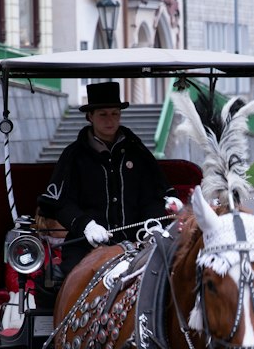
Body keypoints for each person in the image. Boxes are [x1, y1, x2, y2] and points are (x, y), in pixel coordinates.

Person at [37, 81, 170, 277]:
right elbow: (61, 203)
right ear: (90, 116)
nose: (110, 120)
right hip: (86, 246)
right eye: (103, 114)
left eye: (115, 113)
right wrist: (86, 225)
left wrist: (153, 223)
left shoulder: (138, 153)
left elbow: (152, 196)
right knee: (63, 283)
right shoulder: (74, 156)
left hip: (138, 242)